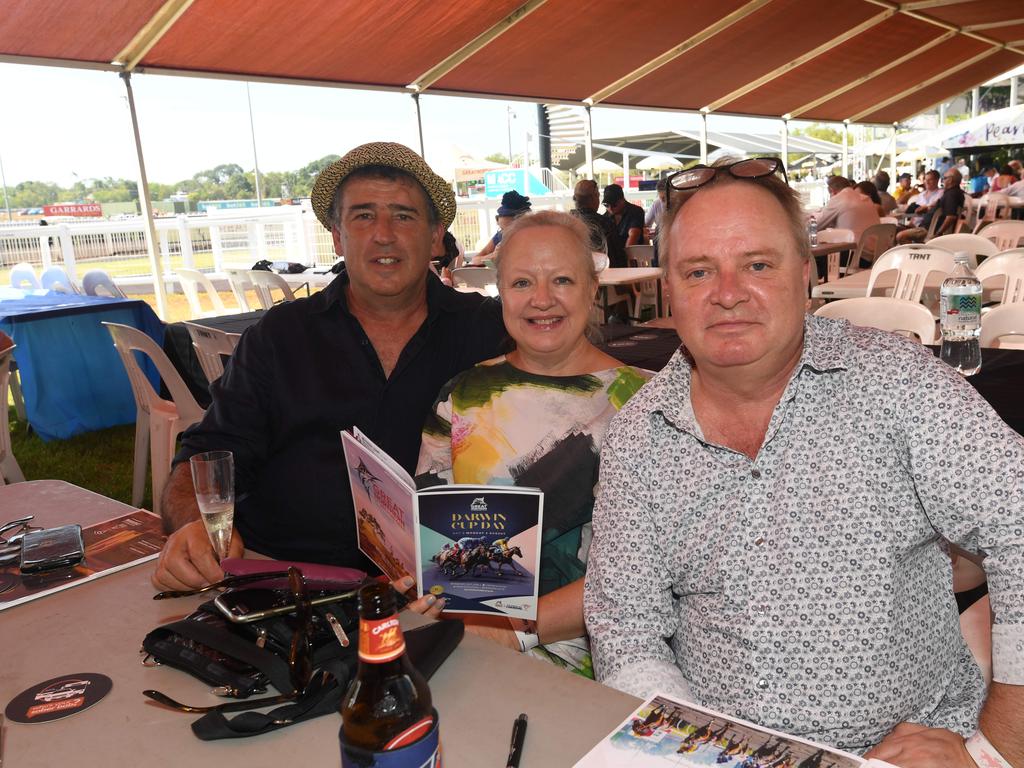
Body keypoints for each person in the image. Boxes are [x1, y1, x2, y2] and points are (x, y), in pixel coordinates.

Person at [584, 156, 1023, 763]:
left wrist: (996, 749)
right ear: (669, 292)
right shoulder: (640, 436)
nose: (728, 294)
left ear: (806, 275)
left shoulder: (897, 383)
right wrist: (697, 756)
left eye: (757, 265)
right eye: (698, 271)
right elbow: (624, 628)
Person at [151, 142, 506, 591]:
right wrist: (193, 525)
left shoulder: (488, 332)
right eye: (362, 216)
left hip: (443, 588)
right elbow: (205, 456)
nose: (383, 234)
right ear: (337, 236)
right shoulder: (281, 336)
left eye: (403, 215)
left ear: (436, 236)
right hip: (287, 583)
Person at [414, 210, 649, 677]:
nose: (542, 300)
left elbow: (649, 576)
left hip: (599, 667)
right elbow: (434, 539)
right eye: (522, 283)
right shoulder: (462, 393)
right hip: (468, 650)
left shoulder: (648, 402)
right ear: (499, 292)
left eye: (562, 279)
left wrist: (508, 631)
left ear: (592, 288)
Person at [570, 178, 627, 268]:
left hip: (574, 272)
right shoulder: (605, 223)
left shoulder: (565, 223)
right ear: (594, 198)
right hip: (604, 275)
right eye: (598, 196)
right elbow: (617, 256)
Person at [811, 175, 878, 241]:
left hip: (853, 249)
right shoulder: (867, 199)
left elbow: (815, 226)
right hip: (879, 249)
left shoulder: (839, 199)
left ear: (832, 191)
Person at [473, 190, 531, 262]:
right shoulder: (499, 236)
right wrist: (491, 256)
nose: (505, 234)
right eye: (502, 228)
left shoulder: (534, 242)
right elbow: (475, 259)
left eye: (510, 230)